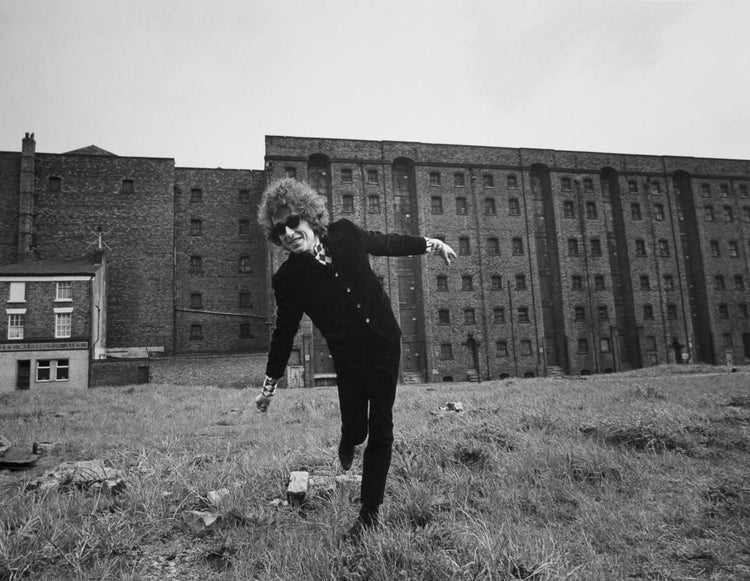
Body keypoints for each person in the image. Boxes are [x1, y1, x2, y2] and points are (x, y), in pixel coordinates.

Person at [255, 177, 456, 539]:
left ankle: (368, 515)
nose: (287, 233)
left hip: (383, 342)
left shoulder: (346, 233)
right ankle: (349, 438)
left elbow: (386, 242)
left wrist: (432, 243)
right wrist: (269, 386)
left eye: (292, 222)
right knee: (356, 427)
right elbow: (283, 333)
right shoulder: (287, 279)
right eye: (278, 230)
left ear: (310, 217)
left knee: (381, 427)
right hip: (348, 358)